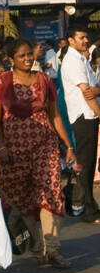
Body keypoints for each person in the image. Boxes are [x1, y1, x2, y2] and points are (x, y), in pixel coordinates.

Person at [0, 37, 76, 270]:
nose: (27, 59)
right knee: (22, 196)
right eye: (22, 56)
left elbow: (55, 115)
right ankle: (36, 247)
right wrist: (2, 147)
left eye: (29, 54)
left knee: (52, 191)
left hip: (44, 143)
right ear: (11, 59)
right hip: (13, 147)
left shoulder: (44, 80)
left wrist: (68, 146)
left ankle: (52, 249)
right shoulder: (0, 82)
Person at [60, 25, 100, 222]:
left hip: (89, 116)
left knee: (89, 163)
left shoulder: (81, 58)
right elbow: (87, 92)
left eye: (87, 37)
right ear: (71, 40)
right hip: (84, 117)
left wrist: (97, 90)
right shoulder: (73, 61)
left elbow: (94, 90)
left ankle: (89, 206)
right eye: (81, 37)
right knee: (85, 163)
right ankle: (87, 210)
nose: (86, 40)